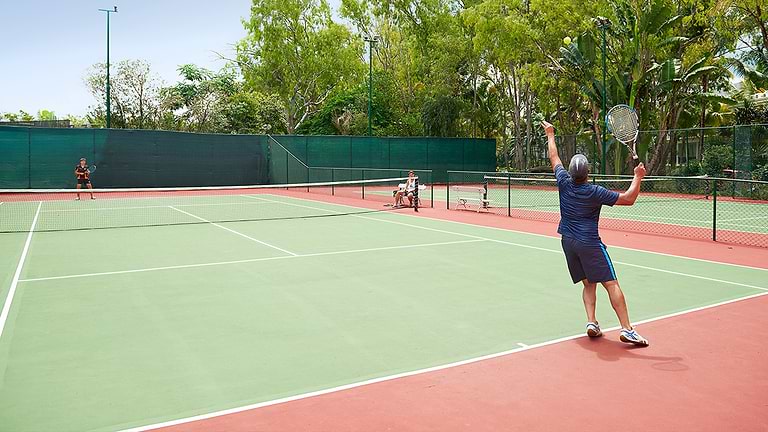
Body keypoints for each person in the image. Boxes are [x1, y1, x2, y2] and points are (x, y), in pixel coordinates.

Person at [542, 120, 649, 347]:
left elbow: (554, 157)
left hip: (568, 241)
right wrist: (638, 176)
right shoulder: (595, 191)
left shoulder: (563, 182)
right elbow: (628, 199)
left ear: (570, 172)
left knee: (588, 284)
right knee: (611, 284)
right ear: (588, 172)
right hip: (589, 243)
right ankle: (627, 330)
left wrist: (550, 133)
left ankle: (591, 322)